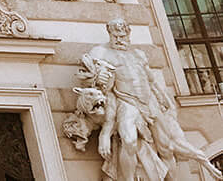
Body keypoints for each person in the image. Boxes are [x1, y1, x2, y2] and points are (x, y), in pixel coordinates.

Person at [89, 17, 221, 181]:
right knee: (129, 140)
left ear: (128, 34)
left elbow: (150, 79)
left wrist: (161, 96)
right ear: (109, 33)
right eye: (115, 36)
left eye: (122, 36)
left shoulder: (138, 54)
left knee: (166, 146)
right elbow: (91, 79)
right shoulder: (101, 53)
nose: (118, 40)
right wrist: (98, 78)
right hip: (127, 101)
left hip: (149, 100)